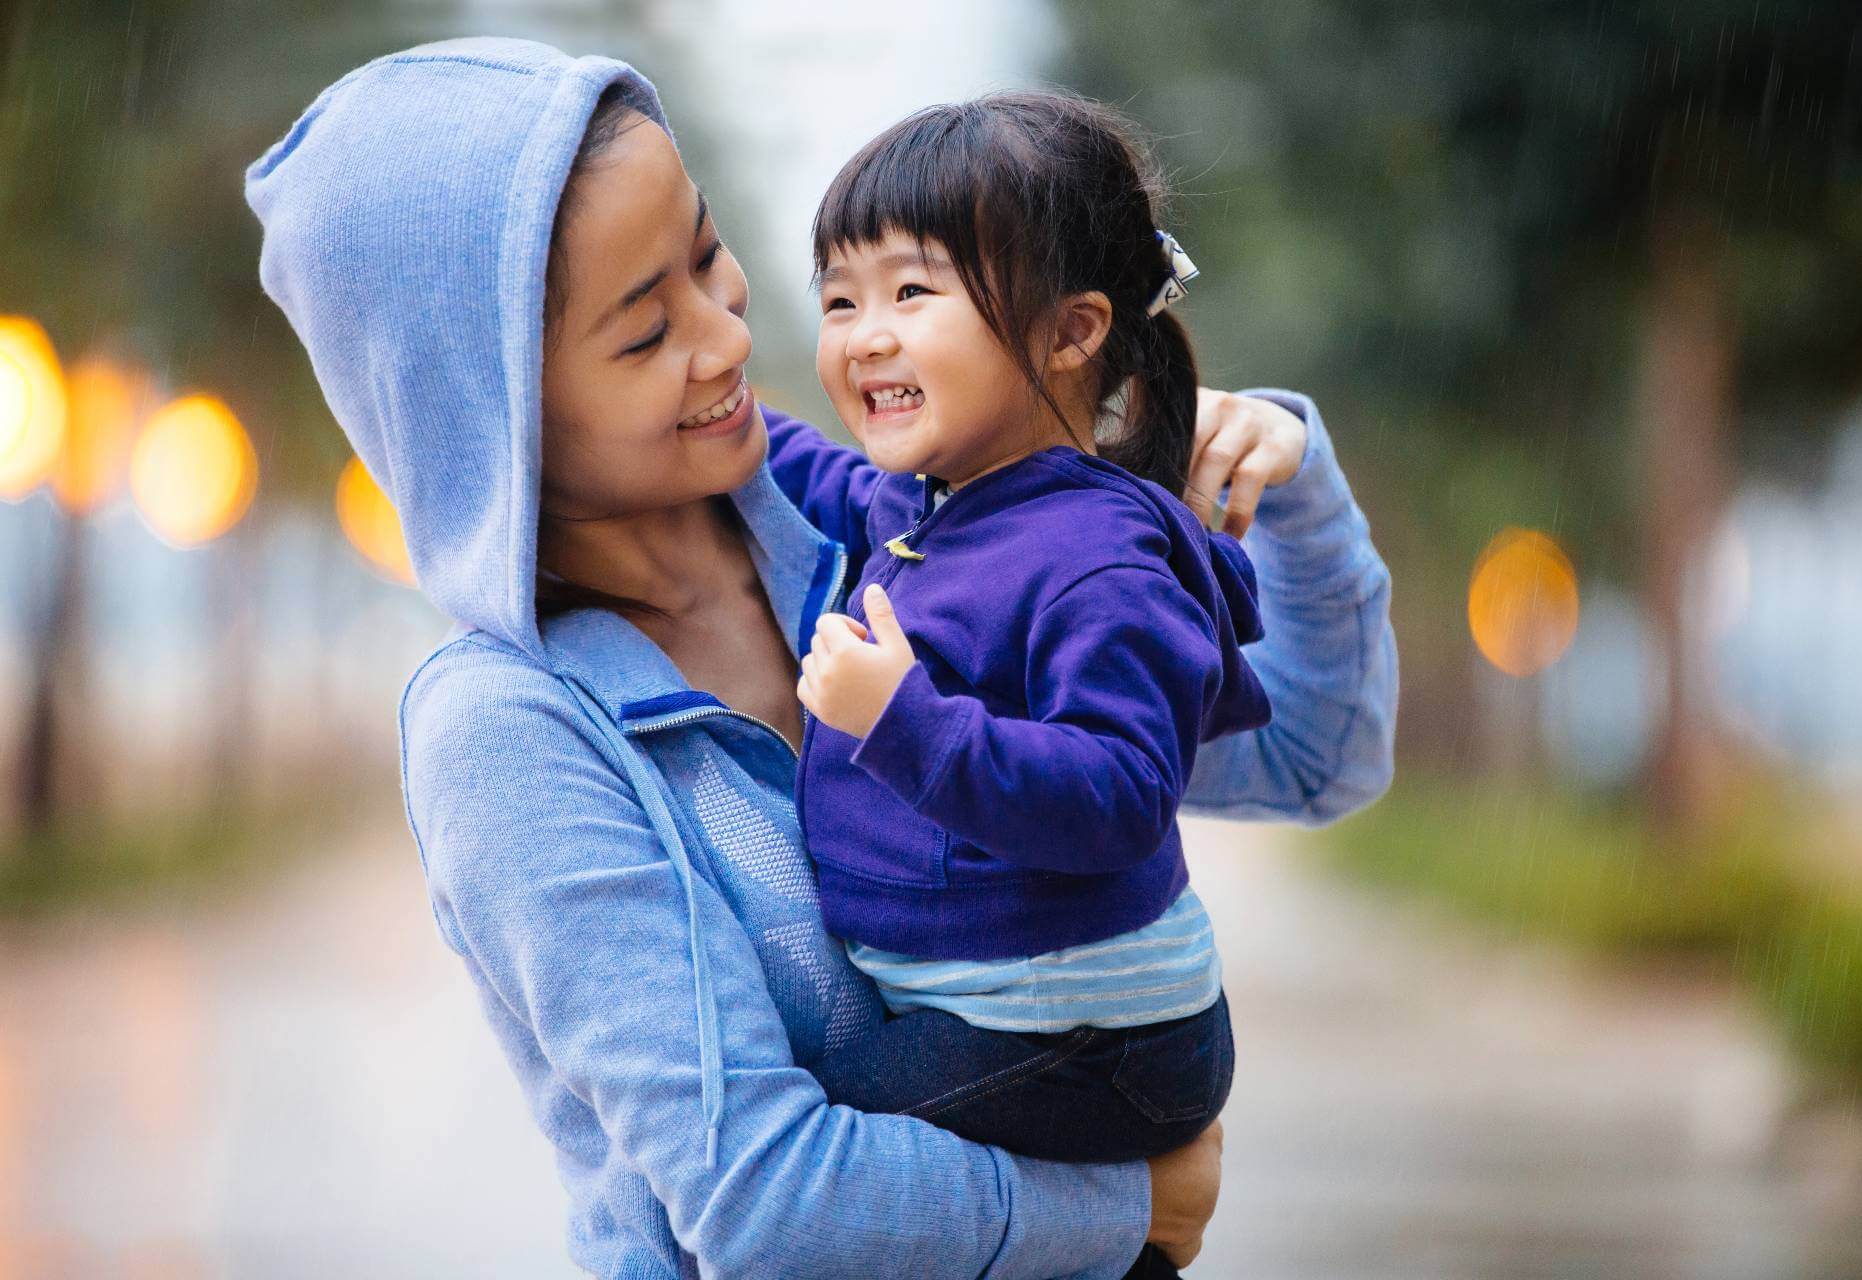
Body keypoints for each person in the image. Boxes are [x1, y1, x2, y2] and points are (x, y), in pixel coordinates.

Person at [245, 36, 1396, 1280]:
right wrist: (1129, 1212)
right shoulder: (512, 728)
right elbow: (762, 1195)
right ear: (493, 420)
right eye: (645, 334)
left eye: (705, 253)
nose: (729, 338)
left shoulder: (904, 529)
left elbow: (1312, 759)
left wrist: (1292, 486)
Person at [784, 91, 1274, 1278]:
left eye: (912, 291)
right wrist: (724, 420)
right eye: (840, 298)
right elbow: (829, 478)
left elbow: (1118, 793)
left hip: (1098, 1040)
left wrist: (904, 721)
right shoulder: (930, 495)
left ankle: (1131, 1231)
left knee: (801, 1138)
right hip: (1017, 1009)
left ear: (1070, 332)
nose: (863, 333)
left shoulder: (1099, 561)